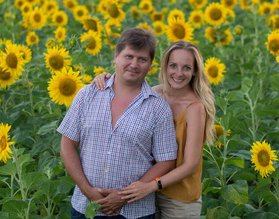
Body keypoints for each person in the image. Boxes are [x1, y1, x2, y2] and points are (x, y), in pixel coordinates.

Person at [57, 28, 178, 219]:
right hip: (85, 206)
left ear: (150, 65)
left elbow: (166, 160)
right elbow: (67, 145)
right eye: (128, 56)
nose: (134, 64)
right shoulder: (87, 95)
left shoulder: (158, 107)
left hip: (134, 211)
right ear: (115, 57)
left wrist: (123, 196)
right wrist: (87, 190)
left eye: (142, 59)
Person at [93, 41, 215, 219]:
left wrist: (150, 186)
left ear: (195, 71)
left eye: (186, 68)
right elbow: (124, 88)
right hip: (147, 193)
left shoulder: (195, 108)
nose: (178, 73)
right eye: (173, 66)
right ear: (165, 66)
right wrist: (105, 78)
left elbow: (190, 165)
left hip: (178, 199)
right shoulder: (155, 95)